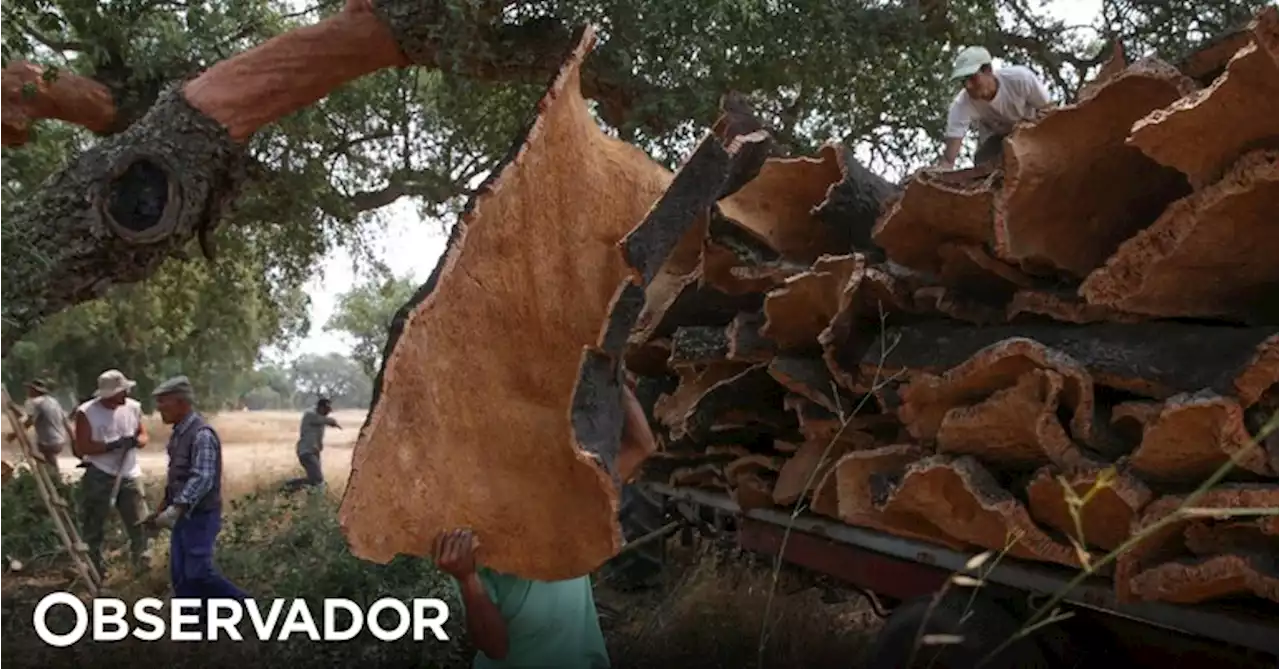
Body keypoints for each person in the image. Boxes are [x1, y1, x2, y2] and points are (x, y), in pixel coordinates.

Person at [433, 380, 657, 669]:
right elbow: (496, 648)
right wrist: (467, 581)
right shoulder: (472, 546)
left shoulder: (565, 506)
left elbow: (642, 447)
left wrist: (614, 377)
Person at [140, 375, 248, 606]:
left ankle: (249, 606)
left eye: (164, 402)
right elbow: (176, 480)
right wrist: (161, 511)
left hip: (200, 516)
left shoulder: (202, 434)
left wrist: (176, 508)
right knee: (181, 579)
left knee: (198, 572)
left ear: (181, 403)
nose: (159, 409)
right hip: (183, 516)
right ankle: (196, 632)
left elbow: (203, 477)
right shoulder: (179, 433)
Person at [73, 369, 151, 577]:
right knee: (94, 524)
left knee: (139, 522)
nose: (125, 395)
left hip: (130, 473)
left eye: (125, 390)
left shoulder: (133, 408)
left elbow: (143, 434)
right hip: (100, 473)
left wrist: (137, 442)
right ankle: (94, 569)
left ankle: (142, 566)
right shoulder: (87, 412)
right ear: (107, 394)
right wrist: (112, 445)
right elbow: (83, 447)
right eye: (120, 391)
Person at [936, 46, 1055, 170]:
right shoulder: (961, 105)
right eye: (963, 81)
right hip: (998, 142)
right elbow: (949, 160)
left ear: (988, 70)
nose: (968, 85)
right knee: (983, 162)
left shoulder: (1020, 79)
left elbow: (1051, 112)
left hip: (1034, 132)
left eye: (972, 78)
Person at [5, 378, 69, 481]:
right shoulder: (52, 401)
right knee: (51, 461)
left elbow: (27, 422)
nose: (28, 391)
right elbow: (26, 418)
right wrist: (14, 408)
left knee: (36, 453)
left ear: (35, 390)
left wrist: (14, 435)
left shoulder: (34, 402)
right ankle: (55, 478)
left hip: (48, 440)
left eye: (29, 389)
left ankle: (54, 479)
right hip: (60, 438)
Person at [282, 397, 341, 492]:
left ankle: (293, 491)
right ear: (321, 408)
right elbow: (325, 420)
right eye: (326, 410)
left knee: (315, 480)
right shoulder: (310, 415)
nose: (328, 413)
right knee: (317, 479)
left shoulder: (320, 417)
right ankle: (288, 486)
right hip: (306, 451)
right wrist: (333, 422)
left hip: (314, 452)